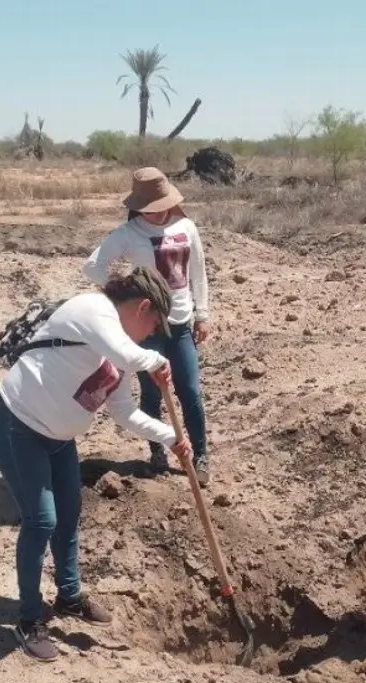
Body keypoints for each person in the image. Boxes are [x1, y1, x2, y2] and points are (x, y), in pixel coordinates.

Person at [0, 266, 192, 663]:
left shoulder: (124, 352)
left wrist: (171, 438)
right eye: (152, 325)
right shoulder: (92, 308)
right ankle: (29, 620)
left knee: (69, 514)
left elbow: (125, 412)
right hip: (18, 425)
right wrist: (153, 359)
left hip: (59, 439)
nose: (151, 335)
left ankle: (69, 595)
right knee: (41, 520)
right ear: (143, 306)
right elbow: (127, 352)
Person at [81, 167, 213, 485]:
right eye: (151, 207)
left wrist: (202, 313)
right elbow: (92, 265)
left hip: (181, 325)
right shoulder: (130, 233)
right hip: (149, 328)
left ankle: (201, 454)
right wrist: (125, 291)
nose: (158, 212)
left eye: (162, 204)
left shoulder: (186, 226)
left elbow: (199, 272)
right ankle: (157, 453)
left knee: (190, 391)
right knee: (152, 394)